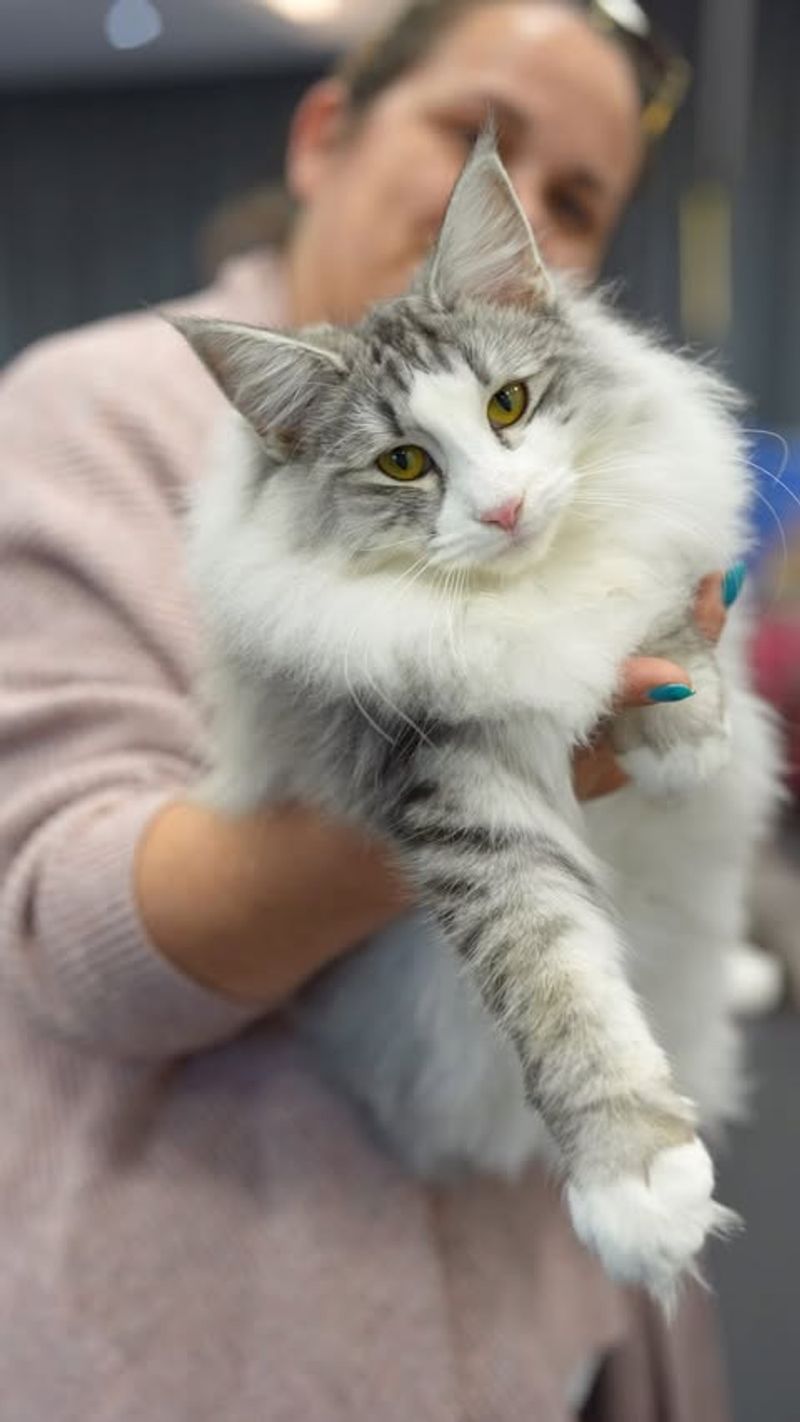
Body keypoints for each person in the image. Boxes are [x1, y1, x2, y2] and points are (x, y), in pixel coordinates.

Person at [0, 3, 740, 1418]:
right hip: (231, 1335)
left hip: (551, 1312)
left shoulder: (575, 416)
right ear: (329, 131)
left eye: (574, 198)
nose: (520, 203)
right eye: (486, 140)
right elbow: (63, 934)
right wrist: (477, 784)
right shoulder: (92, 413)